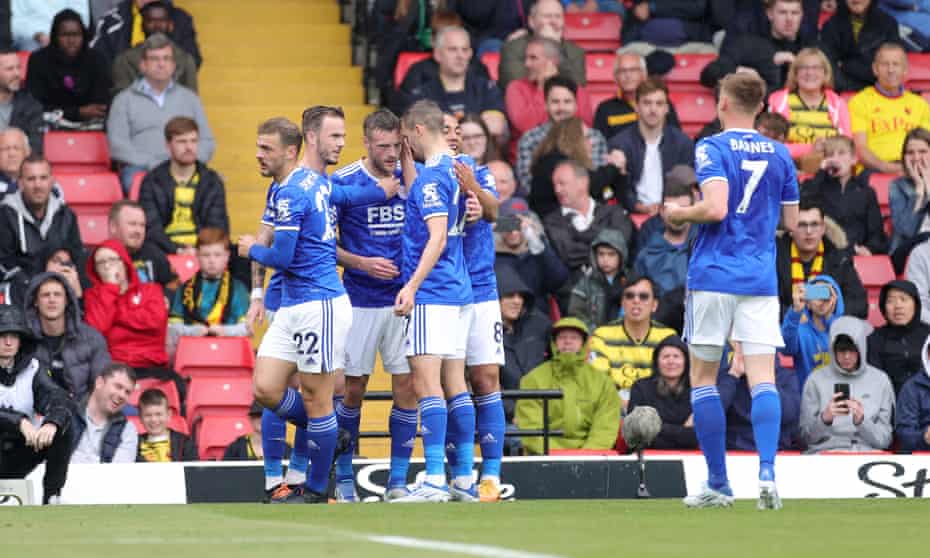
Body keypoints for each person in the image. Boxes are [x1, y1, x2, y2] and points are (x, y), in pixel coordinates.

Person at [237, 109, 393, 503]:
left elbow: (284, 257)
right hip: (293, 306)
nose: (258, 155)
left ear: (291, 150)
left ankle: (317, 489)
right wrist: (385, 189)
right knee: (266, 387)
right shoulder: (308, 183)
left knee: (317, 397)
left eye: (265, 148)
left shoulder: (294, 191)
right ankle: (332, 434)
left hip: (318, 305)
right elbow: (352, 194)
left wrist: (249, 249)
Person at [663, 72, 800, 509]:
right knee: (764, 378)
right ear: (760, 107)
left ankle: (719, 483)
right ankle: (767, 476)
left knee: (703, 377)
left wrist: (680, 212)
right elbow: (793, 225)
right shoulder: (780, 153)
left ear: (723, 102)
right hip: (759, 279)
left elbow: (717, 207)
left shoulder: (712, 146)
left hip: (714, 275)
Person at [381, 100, 472, 502]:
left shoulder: (432, 181)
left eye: (406, 137)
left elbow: (435, 236)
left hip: (432, 292)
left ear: (418, 130)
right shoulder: (450, 171)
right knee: (456, 383)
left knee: (426, 383)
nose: (406, 146)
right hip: (457, 291)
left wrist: (412, 285)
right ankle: (464, 479)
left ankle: (434, 477)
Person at [329, 109, 418, 502]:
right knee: (353, 388)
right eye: (382, 146)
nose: (390, 154)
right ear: (365, 142)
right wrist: (361, 263)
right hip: (360, 299)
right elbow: (321, 244)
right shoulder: (345, 182)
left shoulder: (413, 177)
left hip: (403, 299)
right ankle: (345, 475)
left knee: (407, 387)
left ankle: (397, 481)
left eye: (396, 145)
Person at [107, 33, 215, 193]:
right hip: (141, 170)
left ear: (173, 65)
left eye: (166, 59)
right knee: (139, 184)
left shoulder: (190, 99)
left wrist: (185, 162)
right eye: (155, 59)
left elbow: (207, 141)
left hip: (185, 167)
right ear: (143, 65)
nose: (161, 64)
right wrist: (153, 163)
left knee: (213, 184)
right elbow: (117, 146)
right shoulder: (123, 100)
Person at [84, 239, 184, 403]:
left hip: (152, 367)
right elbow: (96, 331)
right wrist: (110, 289)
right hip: (114, 368)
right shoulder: (94, 297)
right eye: (101, 263)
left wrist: (115, 314)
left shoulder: (151, 290)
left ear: (124, 263)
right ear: (95, 270)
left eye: (112, 260)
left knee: (177, 389)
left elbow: (155, 321)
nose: (108, 266)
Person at [0, 304, 73, 504]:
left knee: (63, 427)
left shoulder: (33, 369)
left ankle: (52, 497)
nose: (8, 342)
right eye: (2, 336)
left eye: (13, 336)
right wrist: (19, 422)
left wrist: (52, 422)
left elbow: (58, 396)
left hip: (21, 450)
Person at [515, 317, 621, 455]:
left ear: (583, 343)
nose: (568, 341)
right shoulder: (532, 379)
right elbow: (530, 428)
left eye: (574, 337)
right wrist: (558, 457)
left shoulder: (603, 382)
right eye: (562, 337)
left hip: (590, 461)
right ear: (554, 343)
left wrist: (585, 457)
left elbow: (605, 428)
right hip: (544, 459)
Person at [799, 316, 894, 452]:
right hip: (825, 453)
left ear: (861, 347)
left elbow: (885, 441)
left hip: (867, 453)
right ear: (833, 350)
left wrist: (862, 422)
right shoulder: (815, 380)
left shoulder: (881, 380)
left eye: (852, 350)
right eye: (842, 350)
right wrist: (824, 420)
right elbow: (805, 439)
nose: (847, 356)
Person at [138, 116, 229, 258]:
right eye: (182, 141)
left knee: (240, 257)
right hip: (163, 252)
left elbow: (217, 225)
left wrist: (200, 250)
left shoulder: (212, 181)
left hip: (204, 251)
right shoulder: (152, 181)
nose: (189, 147)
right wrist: (177, 250)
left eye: (193, 141)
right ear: (168, 145)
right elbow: (151, 228)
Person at [403, 26, 507, 141]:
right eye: (453, 49)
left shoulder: (486, 88)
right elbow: (418, 135)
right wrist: (475, 127)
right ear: (437, 54)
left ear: (471, 54)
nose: (460, 56)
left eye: (465, 49)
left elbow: (496, 127)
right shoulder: (422, 94)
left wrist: (444, 130)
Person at [608, 78, 694, 215]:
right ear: (636, 107)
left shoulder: (683, 143)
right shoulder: (619, 144)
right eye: (647, 103)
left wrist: (666, 206)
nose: (653, 109)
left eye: (659, 104)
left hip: (674, 213)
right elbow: (618, 191)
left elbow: (688, 187)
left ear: (667, 108)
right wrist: (638, 206)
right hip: (631, 215)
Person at [775, 196, 868, 318]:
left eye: (814, 224)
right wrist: (797, 314)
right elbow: (767, 304)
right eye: (802, 225)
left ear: (823, 228)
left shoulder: (839, 259)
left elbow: (860, 304)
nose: (809, 231)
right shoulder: (774, 257)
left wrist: (828, 308)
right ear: (791, 230)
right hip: (785, 330)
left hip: (827, 329)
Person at [589, 276, 676, 405]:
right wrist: (625, 405)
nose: (636, 300)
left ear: (654, 305)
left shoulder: (668, 337)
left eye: (644, 296)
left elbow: (674, 383)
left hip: (657, 410)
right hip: (612, 410)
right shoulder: (601, 336)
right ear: (623, 303)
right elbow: (599, 383)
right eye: (629, 296)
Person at [24, 271, 110, 402]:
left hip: (81, 412)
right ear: (35, 302)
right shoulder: (24, 340)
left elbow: (103, 386)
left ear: (66, 301)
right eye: (45, 295)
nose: (52, 300)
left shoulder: (92, 339)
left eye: (57, 295)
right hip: (35, 412)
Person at [542, 159, 634, 277]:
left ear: (583, 182)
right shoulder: (552, 221)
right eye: (554, 185)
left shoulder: (613, 212)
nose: (557, 190)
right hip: (577, 289)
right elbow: (570, 255)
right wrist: (604, 242)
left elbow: (620, 246)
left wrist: (580, 238)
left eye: (561, 183)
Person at [516, 76, 608, 195]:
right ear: (545, 105)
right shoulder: (529, 139)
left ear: (576, 105)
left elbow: (597, 180)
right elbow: (527, 184)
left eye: (567, 102)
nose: (561, 108)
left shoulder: (594, 137)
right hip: (544, 206)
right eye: (555, 102)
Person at [849, 43, 930, 175]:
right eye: (885, 64)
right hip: (874, 170)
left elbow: (926, 146)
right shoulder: (859, 102)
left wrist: (911, 168)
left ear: (905, 70)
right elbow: (860, 149)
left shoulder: (920, 105)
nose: (891, 70)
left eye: (896, 64)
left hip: (916, 169)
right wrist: (888, 168)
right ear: (875, 69)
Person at [800, 136, 887, 255]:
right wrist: (821, 171)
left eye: (841, 153)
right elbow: (803, 203)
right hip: (824, 253)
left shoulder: (866, 192)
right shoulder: (817, 185)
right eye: (830, 154)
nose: (835, 159)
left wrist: (869, 249)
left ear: (853, 159)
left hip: (856, 255)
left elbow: (876, 232)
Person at [700, 0, 813, 93]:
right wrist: (737, 72)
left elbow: (828, 82)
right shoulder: (747, 43)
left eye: (795, 13)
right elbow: (709, 74)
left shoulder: (811, 46)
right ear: (769, 14)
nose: (789, 19)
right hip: (755, 112)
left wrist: (798, 67)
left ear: (802, 15)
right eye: (782, 12)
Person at [0, 155, 84, 278]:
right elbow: (4, 266)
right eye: (31, 179)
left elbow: (77, 259)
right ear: (21, 183)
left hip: (58, 288)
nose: (38, 185)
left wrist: (65, 263)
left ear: (52, 181)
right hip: (19, 290)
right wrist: (44, 273)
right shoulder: (5, 215)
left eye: (43, 178)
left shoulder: (67, 215)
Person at [168, 228, 250, 351]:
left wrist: (225, 331)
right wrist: (192, 331)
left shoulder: (238, 289)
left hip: (229, 350)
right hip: (192, 350)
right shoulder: (184, 288)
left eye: (217, 255)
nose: (211, 260)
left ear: (227, 256)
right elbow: (172, 327)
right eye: (206, 255)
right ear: (197, 256)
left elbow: (246, 329)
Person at [767, 47, 852, 167]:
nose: (810, 73)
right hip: (788, 169)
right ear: (795, 74)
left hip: (829, 171)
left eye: (816, 68)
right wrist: (810, 148)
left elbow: (847, 146)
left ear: (825, 74)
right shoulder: (778, 101)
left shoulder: (838, 104)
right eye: (803, 68)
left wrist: (827, 149)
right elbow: (770, 147)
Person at [24, 9, 111, 126]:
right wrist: (76, 112)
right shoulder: (38, 60)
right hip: (48, 125)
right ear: (55, 36)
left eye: (76, 35)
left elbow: (100, 106)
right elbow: (35, 107)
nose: (71, 41)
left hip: (91, 125)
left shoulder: (97, 59)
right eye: (65, 35)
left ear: (83, 36)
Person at [528, 116, 622, 218]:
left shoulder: (557, 158)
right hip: (556, 226)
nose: (591, 143)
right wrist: (614, 165)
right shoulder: (554, 162)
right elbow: (590, 184)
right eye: (586, 138)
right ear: (574, 140)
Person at [505, 36, 594, 142]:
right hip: (529, 153)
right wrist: (543, 87)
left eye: (533, 58)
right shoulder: (516, 88)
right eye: (526, 58)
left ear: (552, 62)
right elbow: (526, 126)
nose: (526, 64)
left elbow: (582, 129)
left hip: (570, 153)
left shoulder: (578, 91)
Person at [717, 344, 801, 451]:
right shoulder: (727, 376)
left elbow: (789, 416)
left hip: (776, 452)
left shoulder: (786, 376)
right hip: (734, 451)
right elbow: (712, 415)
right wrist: (734, 375)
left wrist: (764, 380)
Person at [496, 262, 552, 422]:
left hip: (546, 411)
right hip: (505, 419)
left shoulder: (540, 326)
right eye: (509, 295)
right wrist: (513, 412)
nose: (517, 301)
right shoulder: (482, 333)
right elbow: (482, 384)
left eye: (521, 296)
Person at [494, 196, 569, 314]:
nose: (513, 231)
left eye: (519, 224)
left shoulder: (538, 252)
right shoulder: (493, 256)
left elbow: (559, 280)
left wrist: (537, 242)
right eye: (508, 223)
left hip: (536, 319)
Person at [634, 167, 697, 299]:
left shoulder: (707, 245)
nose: (678, 215)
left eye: (683, 209)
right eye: (672, 210)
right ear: (661, 211)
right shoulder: (646, 256)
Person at [111, 0, 198, 95]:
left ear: (170, 25)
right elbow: (121, 101)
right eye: (151, 21)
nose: (157, 26)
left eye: (162, 21)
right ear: (142, 26)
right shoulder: (124, 61)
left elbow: (191, 101)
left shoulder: (186, 61)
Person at [627, 336, 699, 450]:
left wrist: (657, 429)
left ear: (686, 361)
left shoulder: (697, 390)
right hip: (648, 456)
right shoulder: (641, 388)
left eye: (676, 356)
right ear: (657, 361)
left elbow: (697, 437)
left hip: (689, 458)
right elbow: (638, 431)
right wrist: (683, 432)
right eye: (665, 357)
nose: (671, 361)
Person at [498, 0, 586, 92]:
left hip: (561, 105)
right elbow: (515, 86)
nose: (553, 21)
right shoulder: (513, 48)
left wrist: (555, 47)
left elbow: (577, 89)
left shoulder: (575, 52)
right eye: (547, 16)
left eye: (558, 16)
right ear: (531, 21)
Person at [593, 53, 682, 142]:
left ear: (644, 74)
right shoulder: (605, 109)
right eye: (622, 71)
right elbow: (599, 146)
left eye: (633, 70)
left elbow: (676, 140)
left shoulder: (659, 102)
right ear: (615, 77)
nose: (628, 75)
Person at [91, 0, 201, 69]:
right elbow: (98, 65)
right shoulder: (111, 21)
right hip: (124, 95)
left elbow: (192, 61)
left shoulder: (179, 19)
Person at [819, 0, 900, 93]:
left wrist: (846, 65)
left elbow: (889, 69)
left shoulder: (888, 25)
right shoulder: (830, 26)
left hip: (880, 94)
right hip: (842, 94)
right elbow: (829, 70)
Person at [781, 274, 845, 389]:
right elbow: (786, 349)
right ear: (808, 303)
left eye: (826, 293)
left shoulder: (844, 330)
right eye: (816, 293)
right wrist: (795, 312)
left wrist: (831, 318)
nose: (822, 298)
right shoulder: (801, 332)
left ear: (836, 299)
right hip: (808, 399)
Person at [867, 280, 930, 396]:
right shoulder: (875, 339)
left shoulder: (928, 335)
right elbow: (875, 383)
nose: (898, 306)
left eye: (903, 299)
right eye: (890, 301)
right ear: (883, 306)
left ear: (915, 304)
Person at [70, 362, 139, 464]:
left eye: (127, 392)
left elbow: (118, 474)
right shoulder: (65, 414)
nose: (122, 395)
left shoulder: (128, 429)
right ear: (99, 383)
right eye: (118, 386)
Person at [567, 229, 629, 331]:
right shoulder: (586, 283)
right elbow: (575, 313)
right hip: (594, 338)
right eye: (601, 254)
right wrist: (594, 332)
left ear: (621, 255)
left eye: (611, 254)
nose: (605, 259)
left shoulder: (631, 280)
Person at [107, 200, 175, 290]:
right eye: (132, 224)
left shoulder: (154, 253)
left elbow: (172, 284)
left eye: (142, 225)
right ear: (113, 227)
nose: (138, 231)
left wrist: (166, 297)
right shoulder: (100, 259)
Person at [889, 128, 930, 255]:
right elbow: (906, 231)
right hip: (905, 252)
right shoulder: (897, 186)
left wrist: (928, 186)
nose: (916, 157)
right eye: (910, 152)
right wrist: (919, 193)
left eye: (922, 151)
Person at [621, 0, 716, 54]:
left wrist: (653, 7)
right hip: (646, 48)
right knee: (622, 56)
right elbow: (633, 14)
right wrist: (636, 11)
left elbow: (698, 8)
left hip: (688, 46)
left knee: (712, 54)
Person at [0, 48, 44, 154]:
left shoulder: (31, 106)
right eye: (10, 69)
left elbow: (35, 148)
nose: (17, 74)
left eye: (18, 68)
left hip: (17, 167)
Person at [136, 387, 197, 462]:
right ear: (140, 417)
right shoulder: (133, 444)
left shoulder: (184, 443)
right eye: (148, 415)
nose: (154, 420)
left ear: (168, 415)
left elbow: (192, 471)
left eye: (159, 414)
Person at [10, 1, 89, 52]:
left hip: (68, 41)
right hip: (34, 45)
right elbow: (13, 23)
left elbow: (82, 19)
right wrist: (37, 34)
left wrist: (58, 35)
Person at [895, 336, 930, 452]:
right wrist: (924, 437)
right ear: (927, 355)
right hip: (921, 457)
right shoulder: (912, 387)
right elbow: (903, 433)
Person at [0, 127, 29, 198]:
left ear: (27, 153)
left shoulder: (43, 180)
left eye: (16, 148)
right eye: (5, 148)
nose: (11, 154)